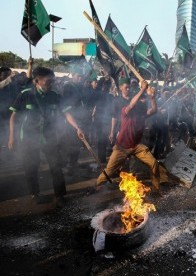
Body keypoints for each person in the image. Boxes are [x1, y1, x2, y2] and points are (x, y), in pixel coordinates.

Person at [8, 66, 83, 207]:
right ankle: (35, 194)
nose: (51, 84)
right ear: (37, 81)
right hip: (29, 138)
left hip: (48, 137)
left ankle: (59, 195)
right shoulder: (25, 94)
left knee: (56, 166)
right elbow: (13, 117)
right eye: (48, 81)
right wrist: (11, 137)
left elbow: (66, 113)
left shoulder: (54, 96)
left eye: (52, 81)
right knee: (31, 166)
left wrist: (77, 127)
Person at [95, 79, 164, 195]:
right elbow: (131, 105)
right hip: (122, 146)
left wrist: (152, 98)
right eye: (126, 87)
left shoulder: (140, 112)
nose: (140, 102)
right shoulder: (124, 111)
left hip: (137, 146)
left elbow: (154, 110)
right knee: (109, 170)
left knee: (154, 163)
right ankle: (96, 186)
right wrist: (142, 89)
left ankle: (156, 190)